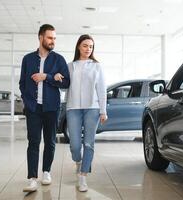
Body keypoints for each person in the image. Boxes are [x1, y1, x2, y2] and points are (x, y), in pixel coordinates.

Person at [19, 24, 70, 192]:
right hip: (33, 108)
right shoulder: (28, 59)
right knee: (33, 142)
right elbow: (22, 83)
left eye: (54, 38)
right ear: (40, 37)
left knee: (50, 141)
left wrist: (47, 77)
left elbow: (66, 82)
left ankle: (46, 171)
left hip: (51, 108)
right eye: (49, 37)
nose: (52, 41)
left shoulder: (59, 60)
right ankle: (32, 178)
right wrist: (27, 102)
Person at [66, 34, 107, 192]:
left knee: (89, 143)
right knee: (75, 145)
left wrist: (103, 111)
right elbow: (64, 86)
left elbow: (102, 90)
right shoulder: (70, 66)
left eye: (91, 46)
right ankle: (78, 161)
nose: (88, 49)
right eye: (85, 46)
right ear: (78, 47)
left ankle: (83, 176)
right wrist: (56, 77)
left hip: (93, 109)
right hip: (73, 108)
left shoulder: (97, 66)